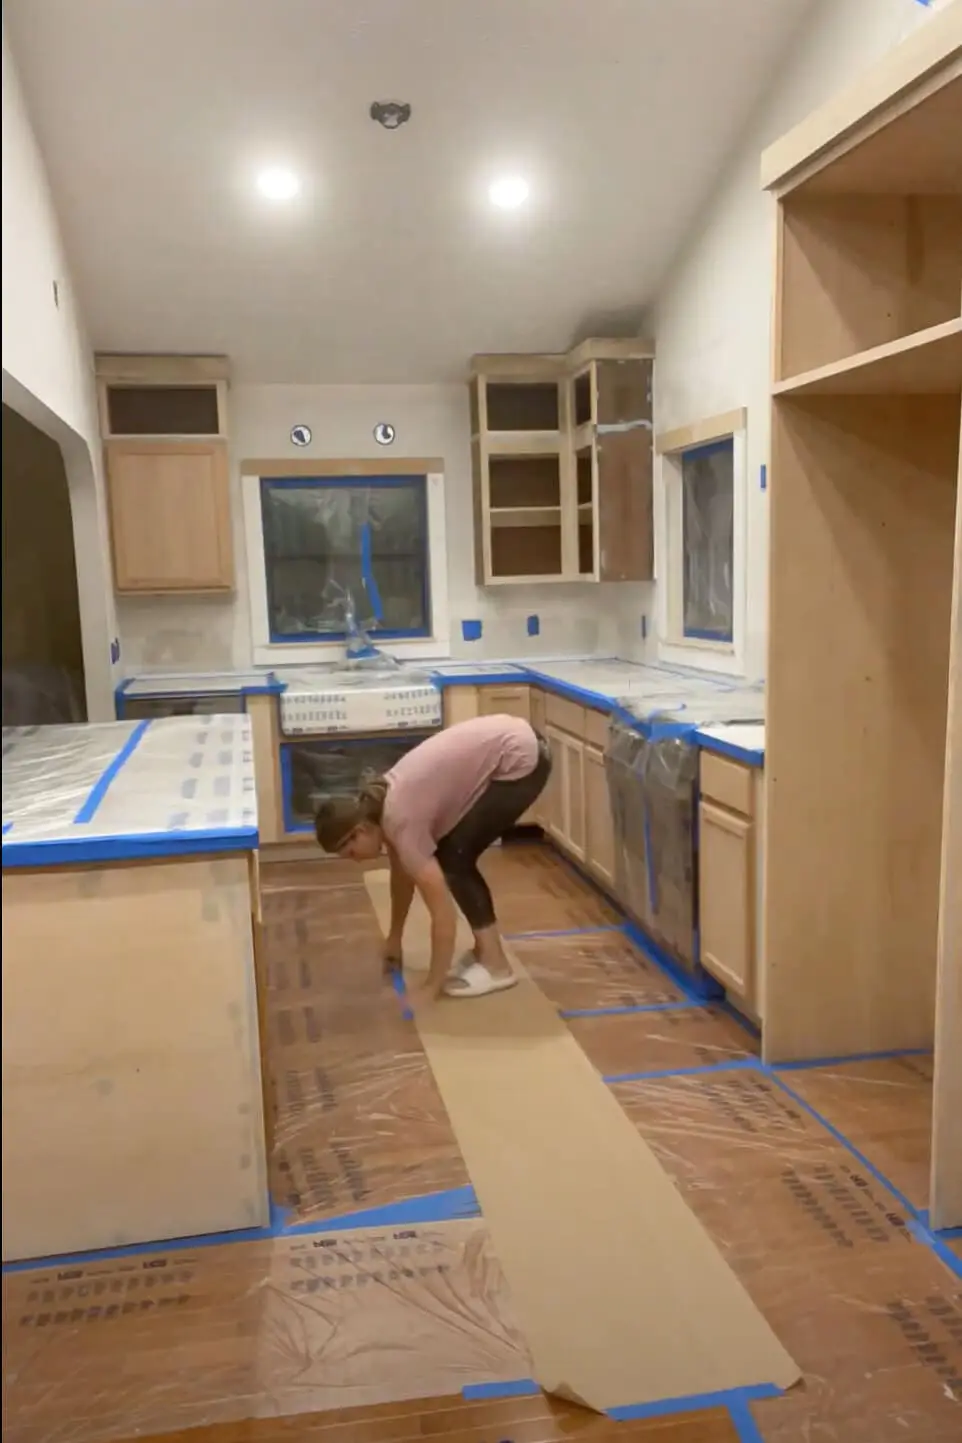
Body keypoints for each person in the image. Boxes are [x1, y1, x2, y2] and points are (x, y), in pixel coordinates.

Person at [314, 714, 552, 1000]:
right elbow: (402, 876)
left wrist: (432, 986)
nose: (355, 860)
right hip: (516, 740)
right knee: (453, 854)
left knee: (454, 860)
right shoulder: (380, 807)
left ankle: (497, 966)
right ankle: (485, 949)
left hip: (522, 758)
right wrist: (394, 938)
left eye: (350, 852)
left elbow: (443, 913)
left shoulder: (400, 820)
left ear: (361, 830)